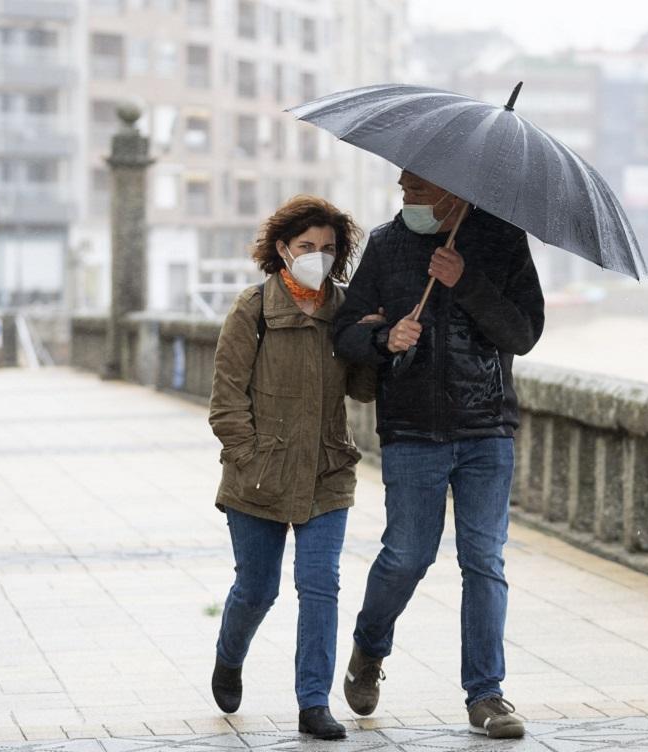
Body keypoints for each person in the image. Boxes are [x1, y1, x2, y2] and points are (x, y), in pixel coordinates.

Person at [332, 170, 545, 739]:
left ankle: (487, 694)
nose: (404, 189)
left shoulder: (502, 240)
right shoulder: (386, 243)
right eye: (403, 184)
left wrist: (465, 281)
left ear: (453, 189)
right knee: (407, 556)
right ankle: (369, 648)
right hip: (411, 430)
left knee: (484, 560)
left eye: (417, 185)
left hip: (486, 430)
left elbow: (522, 333)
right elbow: (344, 331)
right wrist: (383, 339)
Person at [208, 196, 377, 740]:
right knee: (257, 590)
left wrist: (376, 343)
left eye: (328, 248)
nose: (318, 257)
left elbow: (364, 391)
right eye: (307, 247)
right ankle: (229, 657)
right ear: (282, 248)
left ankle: (313, 703)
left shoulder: (345, 310)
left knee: (320, 584)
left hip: (327, 472)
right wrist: (250, 459)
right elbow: (225, 403)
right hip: (259, 475)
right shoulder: (252, 309)